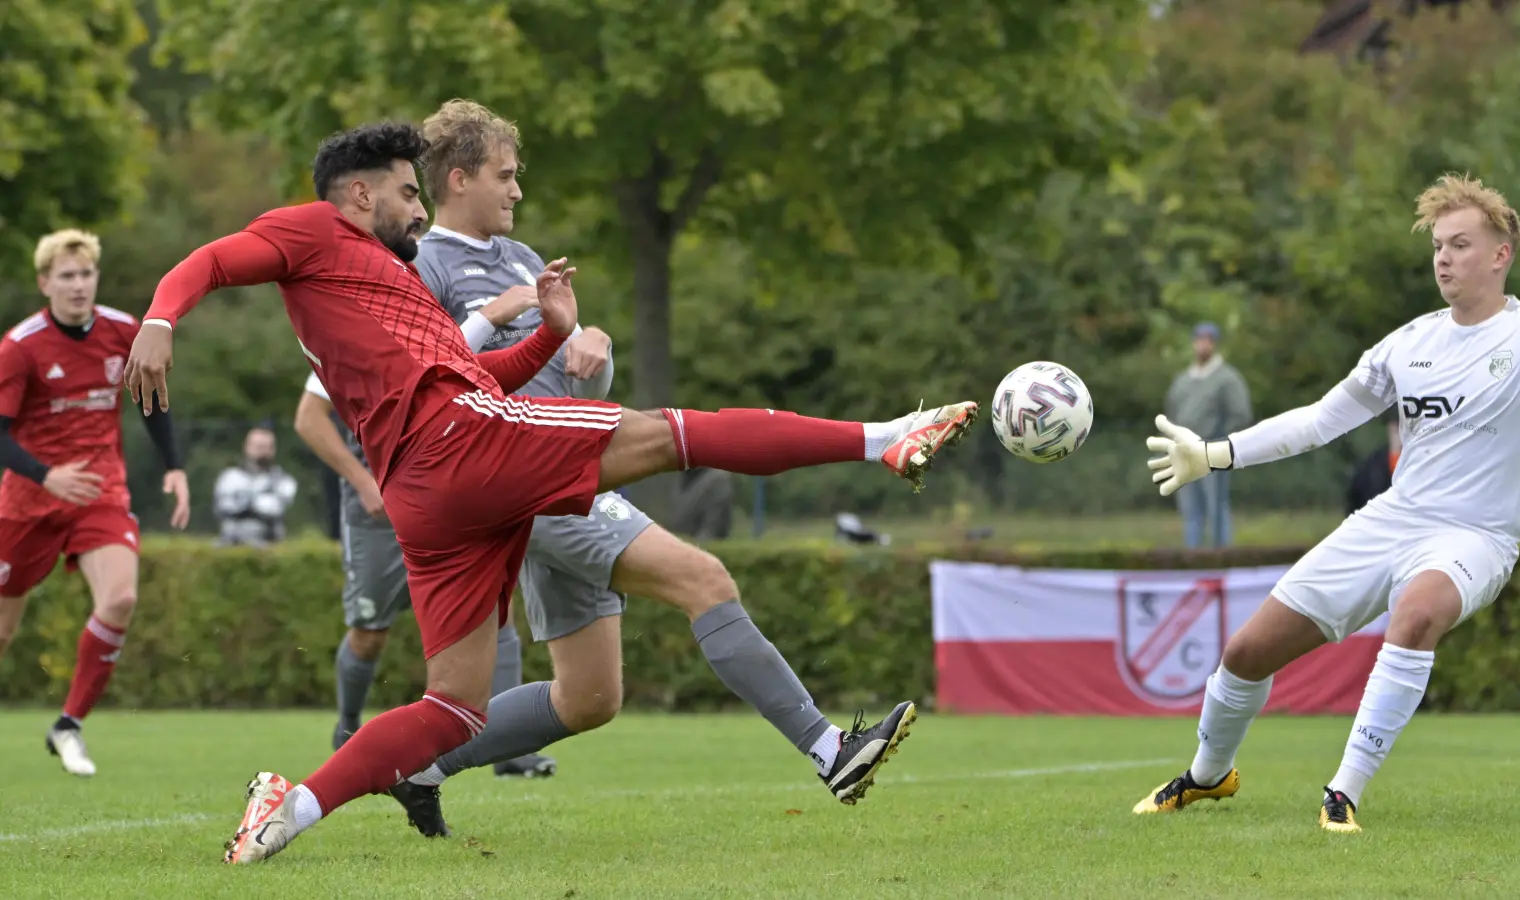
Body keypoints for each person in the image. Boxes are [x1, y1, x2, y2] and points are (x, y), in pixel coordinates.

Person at [126, 121, 974, 864]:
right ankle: (885, 439)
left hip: (432, 487)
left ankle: (291, 807)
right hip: (459, 445)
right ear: (356, 194)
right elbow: (211, 259)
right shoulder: (314, 229)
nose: (416, 209)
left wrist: (552, 338)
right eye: (404, 193)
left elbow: (474, 372)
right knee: (667, 433)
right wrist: (161, 321)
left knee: (454, 708)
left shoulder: (390, 284)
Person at [380, 99, 919, 839]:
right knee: (704, 578)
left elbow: (567, 387)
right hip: (523, 481)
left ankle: (422, 764)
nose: (517, 191)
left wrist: (589, 352)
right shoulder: (424, 266)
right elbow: (432, 392)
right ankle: (832, 751)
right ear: (459, 178)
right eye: (505, 176)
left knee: (589, 698)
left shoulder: (524, 260)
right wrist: (494, 318)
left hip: (558, 470)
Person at [1138, 174, 1520, 833]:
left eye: (1460, 244)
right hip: (1389, 521)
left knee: (1415, 614)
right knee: (1245, 652)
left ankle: (1342, 793)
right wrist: (1214, 453)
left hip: (1474, 537)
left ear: (1501, 254)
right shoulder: (1408, 344)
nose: (1443, 257)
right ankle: (1208, 777)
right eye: (1438, 245)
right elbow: (1321, 420)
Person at [293, 368, 557, 778]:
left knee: (492, 613)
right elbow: (308, 417)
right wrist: (363, 481)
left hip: (453, 498)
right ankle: (346, 730)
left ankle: (510, 753)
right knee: (369, 633)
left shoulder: (461, 329)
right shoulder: (350, 335)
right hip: (378, 513)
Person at [0, 229, 191, 777]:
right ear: (45, 283)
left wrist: (175, 466)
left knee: (120, 599)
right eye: (66, 275)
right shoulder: (21, 346)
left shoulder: (122, 331)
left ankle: (68, 726)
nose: (78, 285)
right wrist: (46, 475)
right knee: (5, 630)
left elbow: (153, 403)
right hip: (28, 502)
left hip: (101, 491)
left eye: (85, 274)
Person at [1163, 322, 1252, 548]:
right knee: (1190, 511)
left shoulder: (1227, 378)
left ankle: (1222, 559)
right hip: (1184, 453)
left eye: (1208, 340)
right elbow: (1172, 414)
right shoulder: (1182, 380)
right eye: (1199, 339)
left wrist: (1220, 442)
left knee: (1216, 506)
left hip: (1212, 452)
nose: (1203, 345)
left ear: (1214, 344)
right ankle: (1193, 560)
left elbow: (1241, 414)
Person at [213, 426, 297, 546]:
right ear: (247, 447)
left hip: (268, 542)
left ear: (273, 450)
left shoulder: (283, 480)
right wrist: (254, 503)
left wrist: (246, 503)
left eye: (266, 447)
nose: (262, 451)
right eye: (258, 446)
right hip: (230, 541)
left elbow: (275, 509)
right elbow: (223, 507)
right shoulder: (229, 477)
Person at [1345, 406, 1401, 515]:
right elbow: (1355, 507)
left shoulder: (1429, 465)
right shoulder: (1370, 469)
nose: (1401, 434)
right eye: (1397, 428)